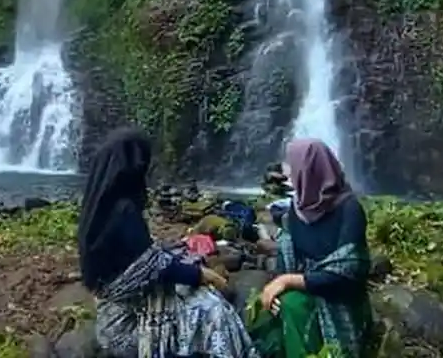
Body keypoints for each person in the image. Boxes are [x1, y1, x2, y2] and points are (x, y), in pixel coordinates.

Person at [78, 126, 259, 358]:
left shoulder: (97, 208)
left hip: (109, 318)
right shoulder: (124, 210)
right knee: (214, 310)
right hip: (128, 326)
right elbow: (154, 266)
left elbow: (140, 262)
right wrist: (203, 275)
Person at [249, 138, 373, 358]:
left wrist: (288, 281)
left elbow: (348, 271)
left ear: (310, 171)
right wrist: (278, 288)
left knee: (292, 307)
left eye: (293, 165)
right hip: (305, 287)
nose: (287, 173)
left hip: (340, 298)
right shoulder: (297, 210)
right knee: (263, 312)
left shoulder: (349, 209)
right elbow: (286, 263)